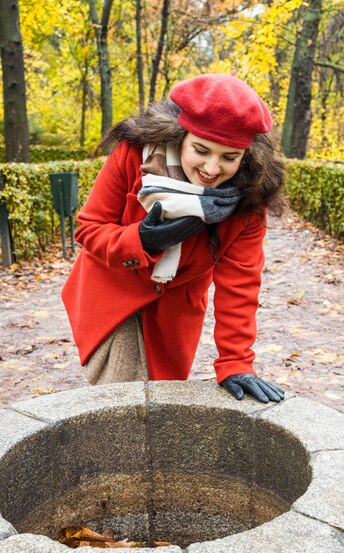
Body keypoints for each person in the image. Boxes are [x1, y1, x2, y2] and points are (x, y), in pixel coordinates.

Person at [62, 73, 285, 403]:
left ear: (246, 155)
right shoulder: (134, 155)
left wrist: (236, 362)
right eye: (201, 150)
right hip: (111, 295)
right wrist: (142, 240)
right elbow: (89, 228)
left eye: (229, 157)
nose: (211, 168)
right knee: (125, 408)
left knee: (159, 410)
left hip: (174, 318)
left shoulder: (248, 200)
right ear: (181, 135)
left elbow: (240, 284)